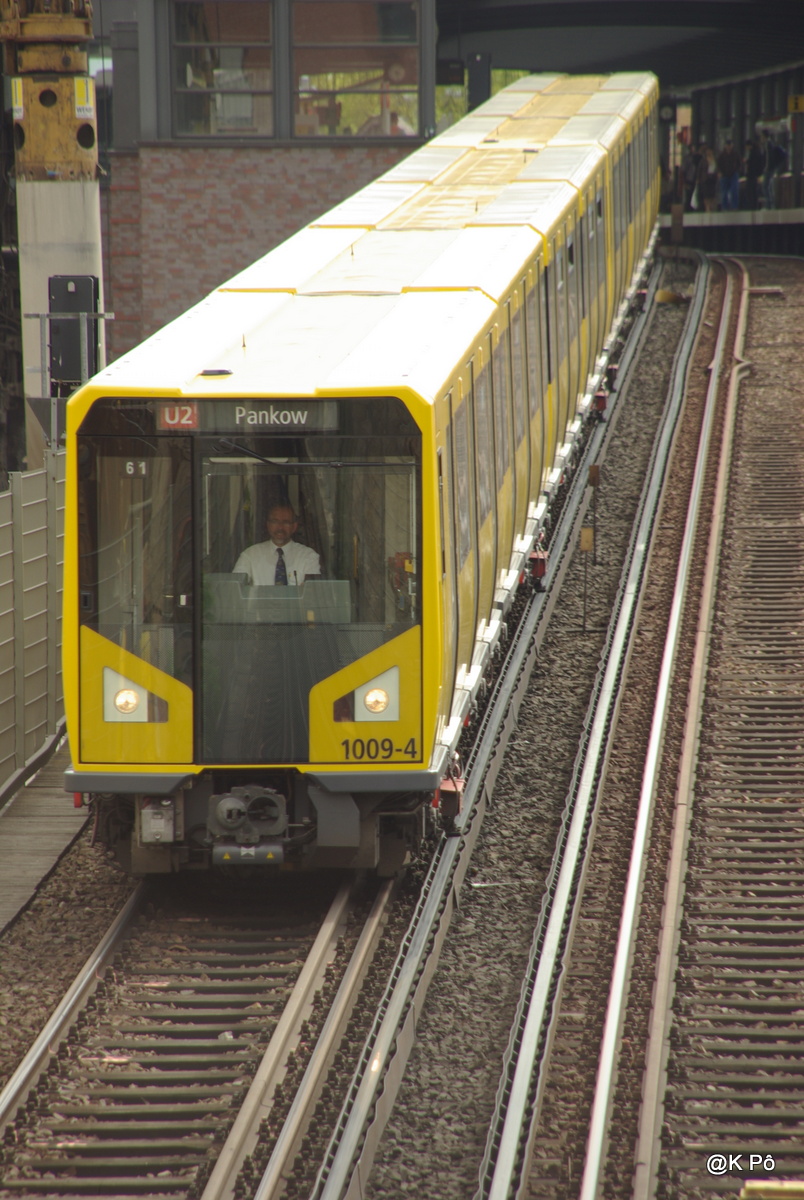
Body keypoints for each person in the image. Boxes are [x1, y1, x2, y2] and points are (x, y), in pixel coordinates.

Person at [233, 503, 320, 586]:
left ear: (294, 526)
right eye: (275, 521)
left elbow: (311, 592)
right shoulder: (250, 555)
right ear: (268, 525)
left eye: (286, 522)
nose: (280, 527)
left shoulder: (309, 556)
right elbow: (235, 587)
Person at [716, 138, 741, 211]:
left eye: (730, 145)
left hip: (733, 174)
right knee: (724, 192)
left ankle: (734, 207)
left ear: (732, 146)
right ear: (725, 146)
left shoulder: (735, 154)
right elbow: (718, 165)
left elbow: (739, 163)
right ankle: (725, 207)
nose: (729, 147)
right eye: (727, 145)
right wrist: (719, 172)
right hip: (724, 175)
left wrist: (737, 171)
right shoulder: (722, 155)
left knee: (734, 191)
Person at [697, 145, 718, 212]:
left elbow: (717, 169)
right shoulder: (703, 161)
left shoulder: (715, 160)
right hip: (705, 179)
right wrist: (698, 179)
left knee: (712, 195)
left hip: (713, 179)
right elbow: (699, 170)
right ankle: (707, 208)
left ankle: (712, 207)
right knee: (706, 195)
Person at [744, 139, 763, 210]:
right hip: (755, 175)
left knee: (751, 191)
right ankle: (754, 206)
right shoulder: (757, 151)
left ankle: (752, 206)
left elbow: (754, 164)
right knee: (754, 192)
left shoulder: (754, 152)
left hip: (752, 175)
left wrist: (748, 162)